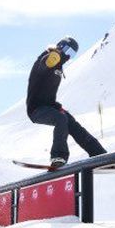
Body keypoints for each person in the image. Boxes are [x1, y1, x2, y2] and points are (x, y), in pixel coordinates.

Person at [26, 36, 107, 168]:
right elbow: (44, 65)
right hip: (36, 109)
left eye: (72, 54)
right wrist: (53, 56)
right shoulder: (48, 57)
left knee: (73, 125)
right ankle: (58, 157)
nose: (69, 56)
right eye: (68, 51)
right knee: (61, 118)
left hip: (50, 106)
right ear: (61, 46)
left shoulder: (59, 65)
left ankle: (99, 155)